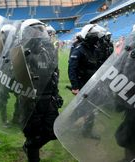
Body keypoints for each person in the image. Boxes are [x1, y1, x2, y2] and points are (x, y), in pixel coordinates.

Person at [20, 19, 63, 162]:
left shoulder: (48, 50)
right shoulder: (19, 51)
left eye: (41, 30)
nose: (40, 33)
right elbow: (13, 77)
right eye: (36, 30)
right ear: (27, 33)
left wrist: (56, 94)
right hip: (30, 100)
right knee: (33, 134)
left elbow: (54, 75)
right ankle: (32, 152)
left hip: (48, 98)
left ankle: (29, 146)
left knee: (53, 132)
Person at [68, 24, 109, 139]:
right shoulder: (79, 50)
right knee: (81, 108)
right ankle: (68, 125)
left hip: (93, 83)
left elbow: (98, 65)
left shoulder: (94, 50)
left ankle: (87, 131)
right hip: (82, 84)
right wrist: (75, 86)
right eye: (94, 35)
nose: (96, 38)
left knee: (91, 108)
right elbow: (72, 69)